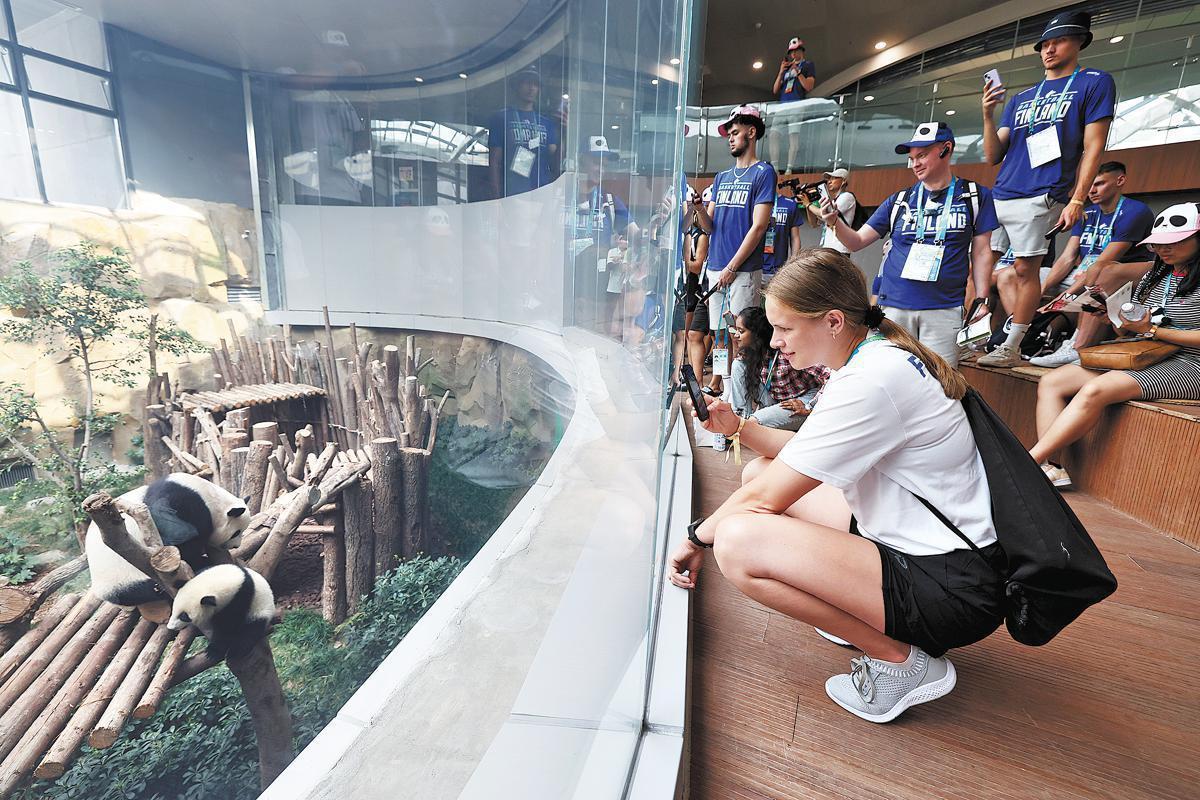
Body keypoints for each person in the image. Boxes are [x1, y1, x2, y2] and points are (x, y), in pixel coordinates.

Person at [669, 249, 1003, 723]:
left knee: (738, 541)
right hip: (932, 550)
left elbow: (768, 502)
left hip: (948, 587)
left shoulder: (871, 380)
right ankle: (861, 608)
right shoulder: (876, 356)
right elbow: (800, 457)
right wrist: (737, 427)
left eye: (785, 328)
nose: (776, 341)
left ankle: (900, 663)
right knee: (758, 470)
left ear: (831, 321)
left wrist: (693, 537)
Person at [979, 11, 1116, 368]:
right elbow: (993, 154)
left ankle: (1013, 346)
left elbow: (1094, 146)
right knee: (983, 268)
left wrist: (1077, 198)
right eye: (1044, 44)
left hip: (1043, 193)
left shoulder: (1095, 82)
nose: (1049, 49)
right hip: (1003, 190)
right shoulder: (1022, 96)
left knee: (1025, 270)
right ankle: (983, 335)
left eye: (1058, 41)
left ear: (1079, 41)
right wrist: (989, 114)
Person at [1031, 202, 1200, 488]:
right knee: (1052, 382)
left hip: (1191, 363)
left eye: (1175, 241)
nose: (1163, 250)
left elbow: (1153, 329)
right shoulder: (1157, 274)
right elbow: (1134, 334)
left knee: (1096, 389)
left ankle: (1030, 463)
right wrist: (1110, 318)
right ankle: (1052, 467)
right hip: (1145, 353)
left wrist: (1152, 329)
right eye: (1157, 244)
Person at [819, 123, 997, 367]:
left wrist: (981, 300)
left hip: (944, 308)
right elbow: (857, 241)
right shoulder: (900, 200)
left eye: (922, 155)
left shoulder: (975, 196)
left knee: (941, 385)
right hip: (894, 307)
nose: (915, 163)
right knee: (890, 377)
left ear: (946, 149)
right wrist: (834, 222)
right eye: (912, 158)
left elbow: (982, 252)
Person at [1029, 162, 1156, 366]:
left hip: (1120, 276)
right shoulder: (1086, 212)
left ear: (1120, 180)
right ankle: (1018, 339)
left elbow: (1103, 261)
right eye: (1089, 185)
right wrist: (1040, 291)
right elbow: (1068, 257)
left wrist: (1068, 294)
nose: (1091, 190)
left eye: (1099, 184)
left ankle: (1076, 346)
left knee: (1098, 274)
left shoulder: (1135, 211)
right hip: (1083, 273)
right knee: (1027, 277)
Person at [692, 105, 776, 367]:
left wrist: (732, 267)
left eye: (735, 132)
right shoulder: (722, 177)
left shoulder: (764, 173)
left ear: (751, 133)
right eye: (729, 133)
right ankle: (723, 385)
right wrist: (698, 208)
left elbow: (759, 226)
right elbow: (709, 225)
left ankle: (741, 390)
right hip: (716, 268)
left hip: (742, 271)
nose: (730, 137)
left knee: (741, 335)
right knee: (719, 334)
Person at [571, 136, 638, 334]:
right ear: (581, 160)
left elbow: (637, 235)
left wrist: (656, 225)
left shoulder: (609, 202)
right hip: (565, 289)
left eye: (604, 163)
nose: (600, 168)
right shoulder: (562, 196)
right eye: (595, 162)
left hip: (597, 294)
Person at [727, 306, 829, 431]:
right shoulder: (751, 354)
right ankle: (740, 417)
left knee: (757, 421)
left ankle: (743, 427)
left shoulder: (787, 351)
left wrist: (810, 405)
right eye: (735, 330)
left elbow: (829, 375)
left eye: (741, 331)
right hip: (775, 399)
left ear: (757, 334)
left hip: (801, 399)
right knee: (738, 364)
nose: (736, 335)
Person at [488, 66, 560, 198]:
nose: (531, 88)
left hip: (542, 190)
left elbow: (555, 158)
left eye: (535, 84)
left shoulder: (546, 123)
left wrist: (564, 131)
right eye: (527, 83)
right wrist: (496, 198)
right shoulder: (502, 118)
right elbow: (494, 161)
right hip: (513, 191)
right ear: (517, 86)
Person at [671, 187, 711, 387]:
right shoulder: (679, 234)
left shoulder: (700, 235)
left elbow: (695, 266)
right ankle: (676, 376)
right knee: (680, 333)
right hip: (682, 289)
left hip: (699, 290)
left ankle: (697, 381)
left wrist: (683, 258)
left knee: (694, 335)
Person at [773, 38, 816, 173]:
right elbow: (775, 90)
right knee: (774, 133)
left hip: (797, 104)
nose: (793, 54)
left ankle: (789, 168)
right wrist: (781, 71)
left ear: (801, 51)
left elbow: (808, 86)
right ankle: (774, 166)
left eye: (795, 51)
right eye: (791, 52)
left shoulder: (808, 65)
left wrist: (797, 71)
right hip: (783, 105)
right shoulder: (786, 69)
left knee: (793, 135)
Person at [802, 168, 857, 255]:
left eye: (834, 178)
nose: (829, 181)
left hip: (839, 250)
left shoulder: (847, 197)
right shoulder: (833, 201)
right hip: (828, 248)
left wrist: (808, 204)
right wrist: (809, 202)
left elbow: (826, 214)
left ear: (844, 181)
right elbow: (813, 224)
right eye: (829, 179)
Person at [762, 181, 802, 286]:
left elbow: (795, 237)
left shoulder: (789, 204)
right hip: (755, 267)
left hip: (779, 268)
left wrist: (794, 263)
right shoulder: (753, 203)